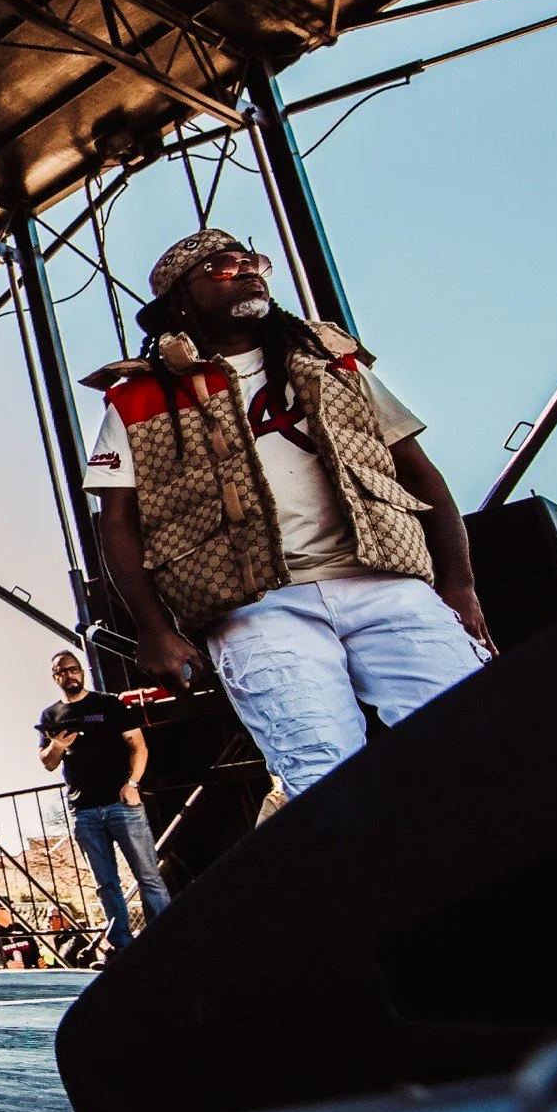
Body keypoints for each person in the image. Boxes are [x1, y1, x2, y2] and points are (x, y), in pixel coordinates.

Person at [83, 228, 494, 799]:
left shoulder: (334, 362)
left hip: (386, 584)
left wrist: (460, 584)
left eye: (251, 261)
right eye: (221, 268)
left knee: (477, 739)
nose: (246, 270)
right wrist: (154, 630)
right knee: (322, 775)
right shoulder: (138, 397)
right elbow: (117, 523)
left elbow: (422, 474)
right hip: (259, 608)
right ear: (181, 299)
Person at [39, 650, 169, 952]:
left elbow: (138, 745)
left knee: (148, 875)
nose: (69, 675)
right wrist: (58, 744)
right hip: (84, 811)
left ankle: (167, 936)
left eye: (73, 669)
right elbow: (47, 762)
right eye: (62, 672)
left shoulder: (108, 704)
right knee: (106, 883)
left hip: (122, 804)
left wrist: (132, 784)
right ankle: (122, 946)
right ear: (55, 677)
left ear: (81, 670)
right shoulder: (51, 716)